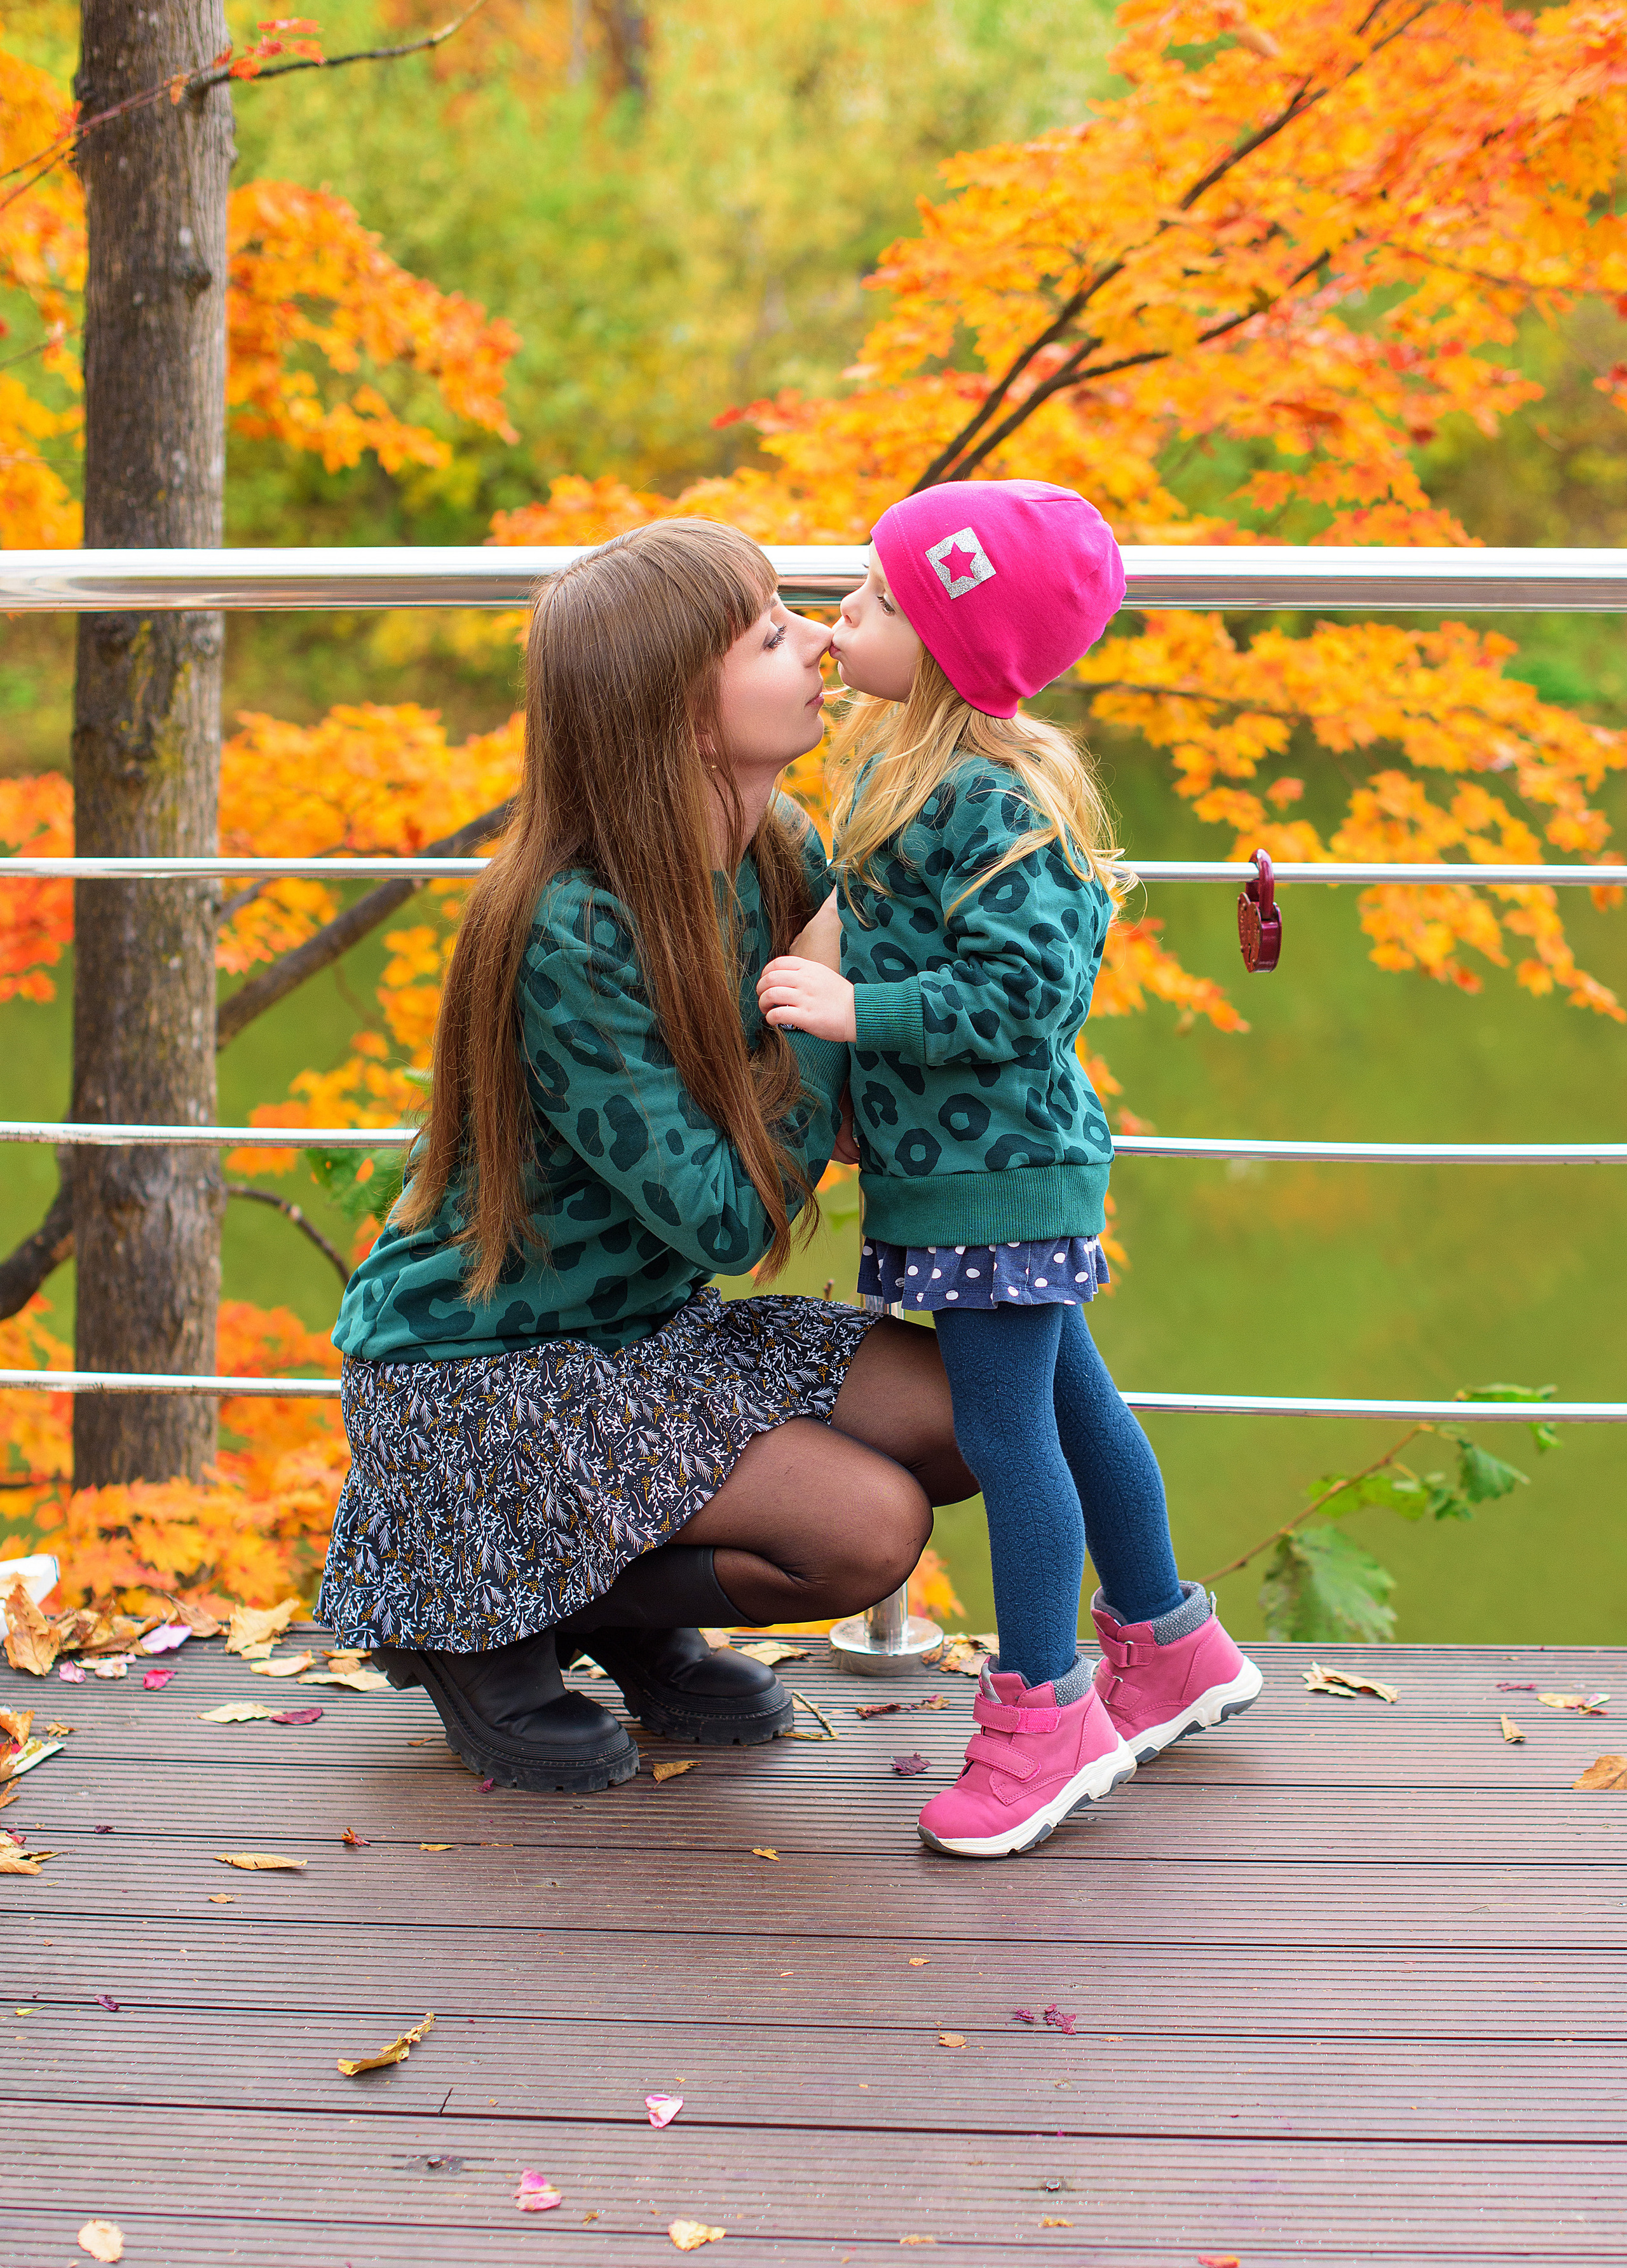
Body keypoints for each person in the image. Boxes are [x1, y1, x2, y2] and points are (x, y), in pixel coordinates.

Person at [318, 521, 978, 1793]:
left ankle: (596, 1606)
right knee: (869, 1530)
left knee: (971, 1415)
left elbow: (864, 1049)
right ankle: (480, 1618)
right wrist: (827, 994)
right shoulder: (568, 922)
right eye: (772, 633)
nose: (822, 641)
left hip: (641, 1333)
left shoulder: (776, 847)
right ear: (682, 714)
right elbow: (730, 1221)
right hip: (476, 1376)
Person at [757, 479, 1262, 1859]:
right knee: (1072, 1400)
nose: (830, 619)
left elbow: (1023, 998)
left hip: (1003, 1176)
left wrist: (860, 1019)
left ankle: (1043, 1718)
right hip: (957, 1176)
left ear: (940, 643)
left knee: (1006, 1430)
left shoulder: (993, 797)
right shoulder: (900, 770)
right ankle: (1168, 1642)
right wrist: (856, 1090)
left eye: (864, 602)